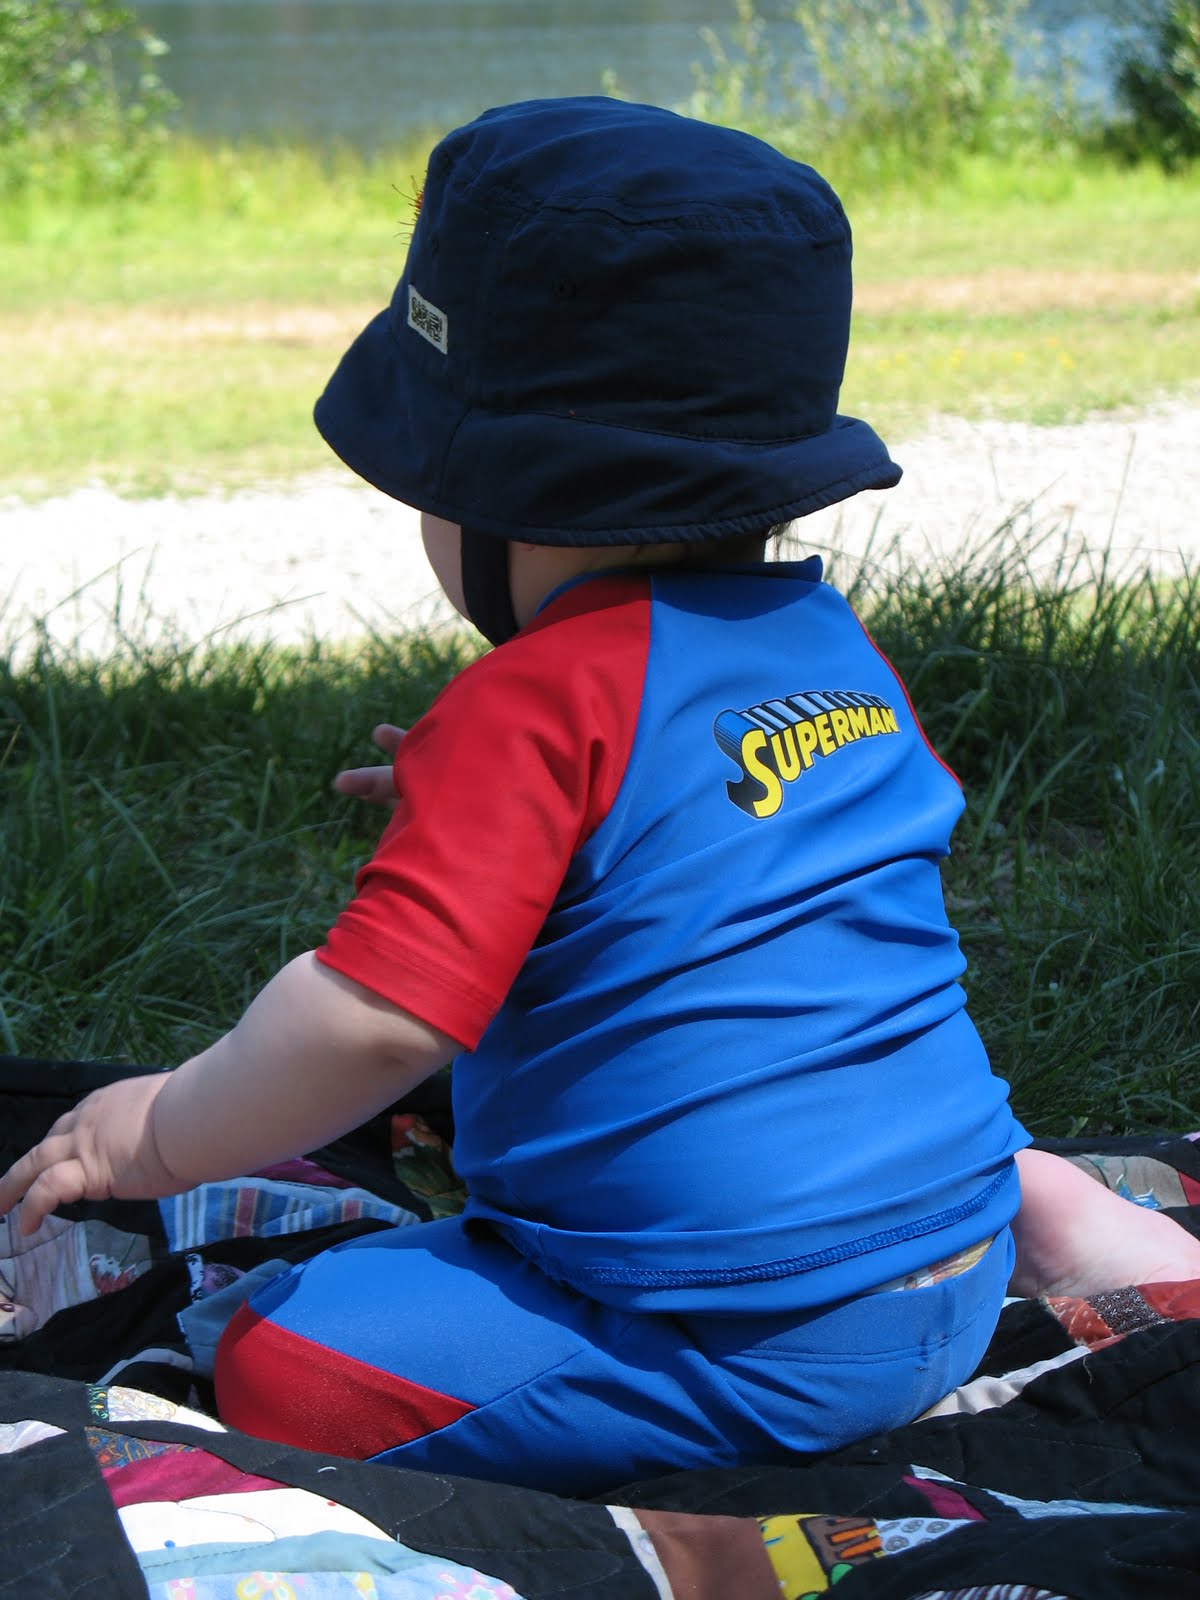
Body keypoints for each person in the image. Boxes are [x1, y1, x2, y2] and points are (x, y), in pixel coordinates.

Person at [2, 98, 1198, 1497]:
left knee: (281, 1356)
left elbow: (372, 1023)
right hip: (956, 1237)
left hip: (754, 1338)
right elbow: (731, 841)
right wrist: (493, 811)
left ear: (496, 494)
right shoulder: (830, 648)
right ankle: (1055, 1210)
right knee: (861, 1071)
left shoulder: (532, 704)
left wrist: (157, 1128)